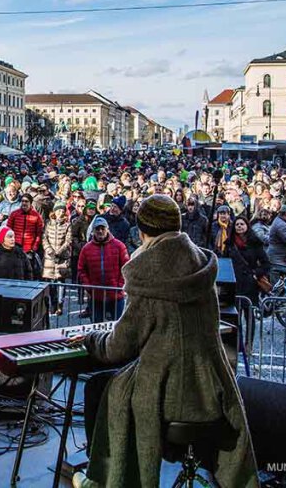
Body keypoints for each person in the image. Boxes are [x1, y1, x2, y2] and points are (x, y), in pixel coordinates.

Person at [70, 196, 257, 488]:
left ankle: (104, 476)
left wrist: (92, 340)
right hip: (210, 388)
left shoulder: (147, 272)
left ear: (143, 231)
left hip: (166, 394)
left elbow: (118, 347)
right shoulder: (200, 262)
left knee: (100, 387)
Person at [77, 217, 129, 323]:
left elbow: (126, 267)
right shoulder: (86, 249)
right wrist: (89, 286)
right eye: (97, 229)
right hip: (96, 296)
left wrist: (120, 285)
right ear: (93, 231)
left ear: (107, 229)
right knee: (97, 328)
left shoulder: (119, 246)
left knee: (118, 327)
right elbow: (81, 270)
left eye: (102, 228)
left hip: (116, 295)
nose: (100, 231)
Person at [224, 216, 270, 307]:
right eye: (237, 224)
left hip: (249, 282)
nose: (239, 226)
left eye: (242, 224)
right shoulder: (229, 244)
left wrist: (256, 274)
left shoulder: (255, 243)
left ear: (247, 226)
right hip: (233, 282)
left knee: (249, 311)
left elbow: (266, 263)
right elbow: (225, 261)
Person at [6, 192, 44, 278]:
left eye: (26, 201)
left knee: (27, 272)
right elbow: (8, 230)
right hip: (15, 247)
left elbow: (39, 234)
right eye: (22, 201)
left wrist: (34, 248)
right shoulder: (14, 214)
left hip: (28, 250)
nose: (24, 203)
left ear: (30, 203)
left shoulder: (36, 216)